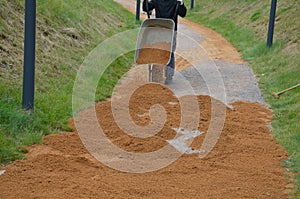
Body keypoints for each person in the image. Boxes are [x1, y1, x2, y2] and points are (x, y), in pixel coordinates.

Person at [142, 0, 187, 84]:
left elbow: (146, 8)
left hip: (160, 29)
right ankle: (168, 75)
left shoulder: (157, 1)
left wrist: (145, 2)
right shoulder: (174, 1)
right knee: (170, 52)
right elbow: (183, 13)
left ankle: (157, 74)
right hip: (171, 29)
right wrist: (181, 3)